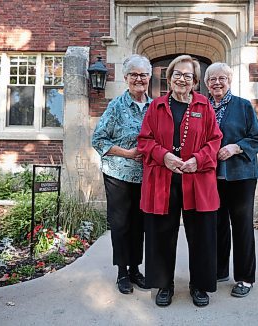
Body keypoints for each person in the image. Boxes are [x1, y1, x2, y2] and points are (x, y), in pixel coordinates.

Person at [137, 55, 222, 307]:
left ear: (195, 81)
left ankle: (199, 285)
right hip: (163, 178)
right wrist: (164, 156)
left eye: (188, 75)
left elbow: (215, 140)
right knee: (162, 233)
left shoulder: (204, 106)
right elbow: (144, 140)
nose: (182, 79)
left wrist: (198, 159)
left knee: (201, 234)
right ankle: (164, 285)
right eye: (177, 74)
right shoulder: (156, 106)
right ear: (169, 78)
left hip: (197, 178)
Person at [91, 54, 152, 294]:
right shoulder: (116, 106)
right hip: (119, 174)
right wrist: (127, 153)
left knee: (140, 224)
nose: (139, 79)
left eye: (143, 75)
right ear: (126, 78)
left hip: (146, 176)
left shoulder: (155, 106)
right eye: (134, 75)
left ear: (149, 78)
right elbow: (98, 139)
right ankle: (122, 273)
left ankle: (136, 269)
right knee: (121, 224)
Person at [204, 62, 258, 298]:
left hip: (241, 176)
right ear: (206, 84)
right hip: (211, 177)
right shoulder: (202, 106)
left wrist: (236, 147)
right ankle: (220, 270)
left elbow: (257, 138)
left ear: (229, 81)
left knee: (241, 226)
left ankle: (245, 278)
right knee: (217, 224)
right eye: (212, 79)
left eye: (221, 79)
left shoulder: (242, 106)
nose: (216, 83)